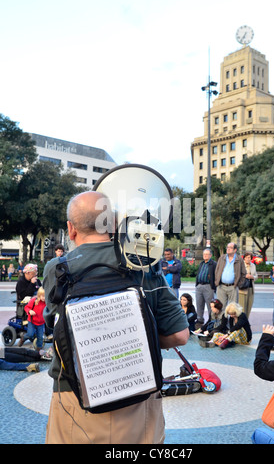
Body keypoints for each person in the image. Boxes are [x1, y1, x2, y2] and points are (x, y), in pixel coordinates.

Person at [43, 190, 189, 445]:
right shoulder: (144, 263)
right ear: (111, 223)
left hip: (73, 396)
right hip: (138, 393)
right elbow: (180, 335)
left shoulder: (56, 268)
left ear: (71, 228)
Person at [215, 242, 246, 309]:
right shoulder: (222, 258)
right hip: (221, 287)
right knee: (220, 307)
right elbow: (217, 270)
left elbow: (243, 273)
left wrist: (238, 284)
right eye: (227, 247)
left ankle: (232, 320)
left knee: (233, 308)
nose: (228, 249)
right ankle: (222, 319)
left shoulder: (239, 259)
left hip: (233, 287)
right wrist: (217, 281)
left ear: (235, 250)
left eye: (230, 248)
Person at [195, 248, 217, 324]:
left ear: (210, 255)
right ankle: (199, 320)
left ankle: (211, 321)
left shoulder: (214, 264)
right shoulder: (202, 263)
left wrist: (213, 285)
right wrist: (197, 284)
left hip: (208, 286)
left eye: (207, 254)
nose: (205, 256)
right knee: (199, 304)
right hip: (199, 286)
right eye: (204, 254)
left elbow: (216, 275)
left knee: (210, 305)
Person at [238, 252, 258, 318]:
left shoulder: (253, 265)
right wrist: (245, 276)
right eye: (247, 257)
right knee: (242, 308)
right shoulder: (241, 265)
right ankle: (240, 324)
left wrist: (252, 277)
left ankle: (246, 322)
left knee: (249, 307)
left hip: (250, 288)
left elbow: (256, 276)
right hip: (243, 289)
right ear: (244, 258)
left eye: (249, 258)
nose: (248, 259)